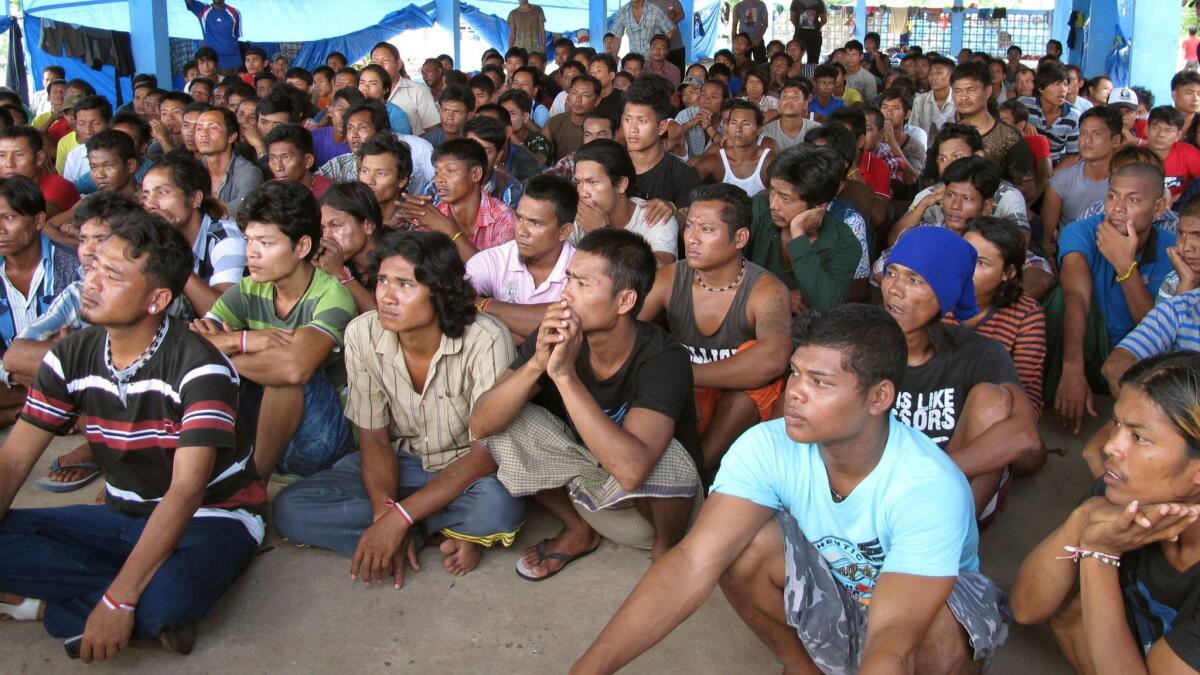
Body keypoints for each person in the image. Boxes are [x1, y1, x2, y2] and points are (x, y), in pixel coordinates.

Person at [573, 302, 1008, 674]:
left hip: (921, 609)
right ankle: (805, 667)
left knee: (928, 634)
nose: (796, 392)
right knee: (740, 546)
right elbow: (690, 564)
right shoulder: (768, 445)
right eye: (796, 373)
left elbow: (895, 637)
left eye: (820, 382)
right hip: (842, 586)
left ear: (879, 398)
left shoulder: (927, 486)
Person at [0, 210, 264, 659]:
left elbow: (186, 491)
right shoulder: (69, 356)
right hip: (124, 514)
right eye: (95, 267)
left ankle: (51, 606)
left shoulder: (201, 368)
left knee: (167, 595)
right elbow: (12, 460)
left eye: (113, 275)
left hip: (212, 518)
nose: (93, 282)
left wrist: (118, 600)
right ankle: (119, 598)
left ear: (157, 299)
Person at [272, 229, 524, 582]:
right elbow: (373, 436)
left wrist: (401, 517)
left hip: (464, 470)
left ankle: (410, 529)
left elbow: (485, 454)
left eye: (405, 284)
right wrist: (384, 513)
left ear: (440, 292)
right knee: (290, 508)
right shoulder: (363, 333)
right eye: (383, 281)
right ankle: (438, 532)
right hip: (398, 463)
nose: (387, 296)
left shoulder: (487, 338)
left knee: (499, 506)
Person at [471, 228, 702, 578]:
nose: (565, 295)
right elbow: (480, 425)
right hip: (588, 491)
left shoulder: (662, 357)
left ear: (625, 301)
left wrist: (564, 376)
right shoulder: (555, 332)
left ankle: (667, 551)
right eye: (568, 280)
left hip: (645, 514)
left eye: (582, 284)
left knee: (664, 455)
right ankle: (578, 528)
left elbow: (632, 471)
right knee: (505, 419)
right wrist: (536, 364)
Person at [1012, 351, 1200, 674]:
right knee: (1072, 614)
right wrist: (1084, 518)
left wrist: (1099, 552)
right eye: (1116, 424)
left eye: (1138, 437)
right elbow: (1025, 608)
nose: (1110, 446)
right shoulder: (1122, 494)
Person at [195, 181, 355, 480]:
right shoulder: (247, 289)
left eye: (266, 243)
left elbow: (295, 369)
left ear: (303, 247)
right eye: (248, 240)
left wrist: (225, 349)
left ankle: (254, 483)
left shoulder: (332, 296)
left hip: (322, 441)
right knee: (202, 371)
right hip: (262, 432)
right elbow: (189, 346)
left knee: (287, 372)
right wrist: (243, 339)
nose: (252, 253)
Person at [884, 227, 1042, 519]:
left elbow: (1024, 435)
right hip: (879, 481)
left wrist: (928, 475)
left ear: (944, 293)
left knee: (993, 401)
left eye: (914, 279)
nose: (894, 288)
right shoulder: (865, 342)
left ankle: (959, 540)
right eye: (891, 273)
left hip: (952, 484)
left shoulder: (981, 352)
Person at [638, 184, 789, 481]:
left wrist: (685, 373)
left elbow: (774, 357)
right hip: (681, 401)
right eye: (690, 226)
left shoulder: (766, 290)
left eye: (707, 229)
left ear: (740, 238)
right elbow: (621, 326)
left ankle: (698, 470)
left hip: (733, 415)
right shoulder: (669, 277)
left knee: (758, 375)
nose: (692, 238)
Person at [1050, 161, 1179, 435]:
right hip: (1087, 347)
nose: (1117, 208)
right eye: (1112, 196)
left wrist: (1125, 266)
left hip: (1138, 356)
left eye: (1133, 199)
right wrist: (1072, 369)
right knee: (1060, 298)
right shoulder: (1082, 231)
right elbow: (1076, 297)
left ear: (1157, 208)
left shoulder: (1172, 249)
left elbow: (1156, 326)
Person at [0, 176, 80, 426]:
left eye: (9, 218)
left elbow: (78, 348)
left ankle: (21, 410)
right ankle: (34, 408)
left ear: (38, 221)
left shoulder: (74, 268)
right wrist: (11, 371)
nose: (0, 229)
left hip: (68, 379)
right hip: (12, 379)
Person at [744, 144, 859, 314]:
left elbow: (828, 305)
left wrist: (798, 233)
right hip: (750, 318)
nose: (773, 205)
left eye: (785, 198)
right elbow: (723, 272)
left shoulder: (844, 243)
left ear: (818, 206)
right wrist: (776, 296)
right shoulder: (757, 211)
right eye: (773, 191)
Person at [467, 174, 577, 341]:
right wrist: (526, 338)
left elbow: (568, 321)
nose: (521, 231)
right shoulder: (493, 260)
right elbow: (454, 301)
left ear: (564, 231)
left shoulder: (582, 270)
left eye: (535, 223)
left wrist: (485, 304)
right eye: (519, 218)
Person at [139, 154, 247, 322]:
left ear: (195, 199)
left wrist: (172, 249)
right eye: (146, 195)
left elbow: (225, 317)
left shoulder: (227, 239)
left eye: (162, 192)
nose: (150, 204)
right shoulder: (149, 237)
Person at [959, 216, 1047, 414]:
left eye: (981, 263)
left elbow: (1027, 401)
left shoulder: (1027, 316)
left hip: (989, 419)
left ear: (1008, 272)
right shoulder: (937, 299)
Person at [398, 138, 515, 264]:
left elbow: (494, 278)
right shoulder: (429, 216)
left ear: (476, 174)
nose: (440, 179)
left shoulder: (503, 218)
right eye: (437, 172)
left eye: (450, 171)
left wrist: (449, 229)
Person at [573, 140, 679, 266]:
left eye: (592, 182)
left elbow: (662, 268)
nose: (583, 193)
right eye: (579, 183)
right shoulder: (579, 215)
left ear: (621, 184)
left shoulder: (655, 216)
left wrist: (602, 233)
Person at [951, 61, 1036, 203]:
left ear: (988, 91)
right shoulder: (949, 134)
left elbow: (1028, 189)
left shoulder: (1009, 137)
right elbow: (932, 181)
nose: (963, 97)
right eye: (957, 91)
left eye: (971, 90)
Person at [1042, 106, 1122, 256]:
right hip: (1072, 252)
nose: (1087, 140)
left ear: (1116, 140)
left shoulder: (1127, 183)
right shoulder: (1061, 181)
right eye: (1083, 133)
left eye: (1096, 134)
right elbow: (1046, 238)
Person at [623, 75, 702, 215]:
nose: (632, 129)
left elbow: (688, 226)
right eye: (628, 119)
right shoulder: (611, 167)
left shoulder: (683, 175)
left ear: (662, 127)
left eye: (642, 121)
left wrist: (672, 212)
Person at [313, 182, 383, 314]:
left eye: (335, 225)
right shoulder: (330, 263)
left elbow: (379, 322)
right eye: (323, 228)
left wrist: (341, 274)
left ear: (367, 226)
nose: (327, 236)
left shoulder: (397, 257)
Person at [691, 101, 771, 197]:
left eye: (745, 124)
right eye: (733, 123)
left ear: (759, 129)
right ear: (727, 127)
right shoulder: (715, 161)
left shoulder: (768, 161)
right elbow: (686, 184)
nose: (738, 129)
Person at [194, 107, 262, 216]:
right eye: (199, 128)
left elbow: (242, 210)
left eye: (213, 128)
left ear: (231, 137)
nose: (203, 133)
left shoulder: (249, 172)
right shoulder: (190, 170)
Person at [0, 126, 79, 218]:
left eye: (19, 155)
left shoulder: (59, 185)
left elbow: (29, 221)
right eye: (2, 156)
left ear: (39, 158)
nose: (9, 164)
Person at [1020, 61, 1081, 167]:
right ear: (1041, 88)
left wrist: (1053, 177)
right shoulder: (1023, 104)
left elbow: (1073, 155)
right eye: (1056, 84)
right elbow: (1003, 124)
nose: (1063, 90)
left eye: (1065, 84)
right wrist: (1022, 124)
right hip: (1023, 164)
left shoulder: (1074, 116)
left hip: (1055, 167)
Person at [370, 43, 439, 137]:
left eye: (385, 60)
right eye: (375, 61)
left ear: (398, 64)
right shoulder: (366, 93)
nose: (379, 66)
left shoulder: (418, 91)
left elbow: (434, 130)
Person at [1145, 105, 1200, 203]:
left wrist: (1178, 198)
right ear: (1146, 130)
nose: (1161, 134)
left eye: (1168, 130)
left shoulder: (1188, 153)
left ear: (1178, 136)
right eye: (1155, 128)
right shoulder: (1134, 156)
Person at [264, 123, 331, 199]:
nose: (278, 167)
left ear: (308, 161)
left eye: (286, 157)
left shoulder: (330, 193)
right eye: (273, 158)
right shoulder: (266, 193)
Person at [546, 74, 601, 162]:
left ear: (597, 101)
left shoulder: (602, 127)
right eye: (574, 93)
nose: (578, 100)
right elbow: (539, 149)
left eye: (585, 95)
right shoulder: (555, 122)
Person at [61, 96, 112, 184]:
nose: (88, 131)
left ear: (109, 123)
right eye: (81, 124)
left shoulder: (119, 153)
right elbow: (69, 191)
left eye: (95, 123)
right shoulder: (73, 156)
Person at [759, 78, 818, 154]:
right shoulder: (766, 131)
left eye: (795, 97)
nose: (789, 101)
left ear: (805, 103)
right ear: (778, 102)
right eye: (785, 97)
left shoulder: (816, 129)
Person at [185, 0, 243, 71]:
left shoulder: (235, 12)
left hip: (234, 64)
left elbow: (236, 36)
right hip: (214, 64)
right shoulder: (202, 9)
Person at [611, 0, 676, 58]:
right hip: (634, 60)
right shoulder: (621, 12)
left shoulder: (655, 10)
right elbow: (617, 38)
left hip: (652, 60)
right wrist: (614, 59)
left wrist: (657, 49)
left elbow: (670, 30)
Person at [911, 56, 956, 137]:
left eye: (939, 73)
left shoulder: (958, 99)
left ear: (951, 76)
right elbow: (914, 131)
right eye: (931, 73)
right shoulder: (920, 100)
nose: (933, 77)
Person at [421, 85, 475, 150]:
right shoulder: (427, 143)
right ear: (440, 111)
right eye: (446, 110)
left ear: (470, 115)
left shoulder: (478, 141)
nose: (449, 117)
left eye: (456, 112)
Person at [789, 0, 825, 64]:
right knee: (812, 59)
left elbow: (792, 18)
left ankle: (804, 72)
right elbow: (824, 19)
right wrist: (816, 28)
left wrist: (799, 27)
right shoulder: (820, 2)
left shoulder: (795, 2)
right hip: (812, 35)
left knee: (796, 58)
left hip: (804, 34)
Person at [1172, 70, 1200, 146]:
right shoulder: (1162, 118)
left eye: (1199, 94)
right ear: (1175, 95)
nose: (1196, 98)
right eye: (1189, 93)